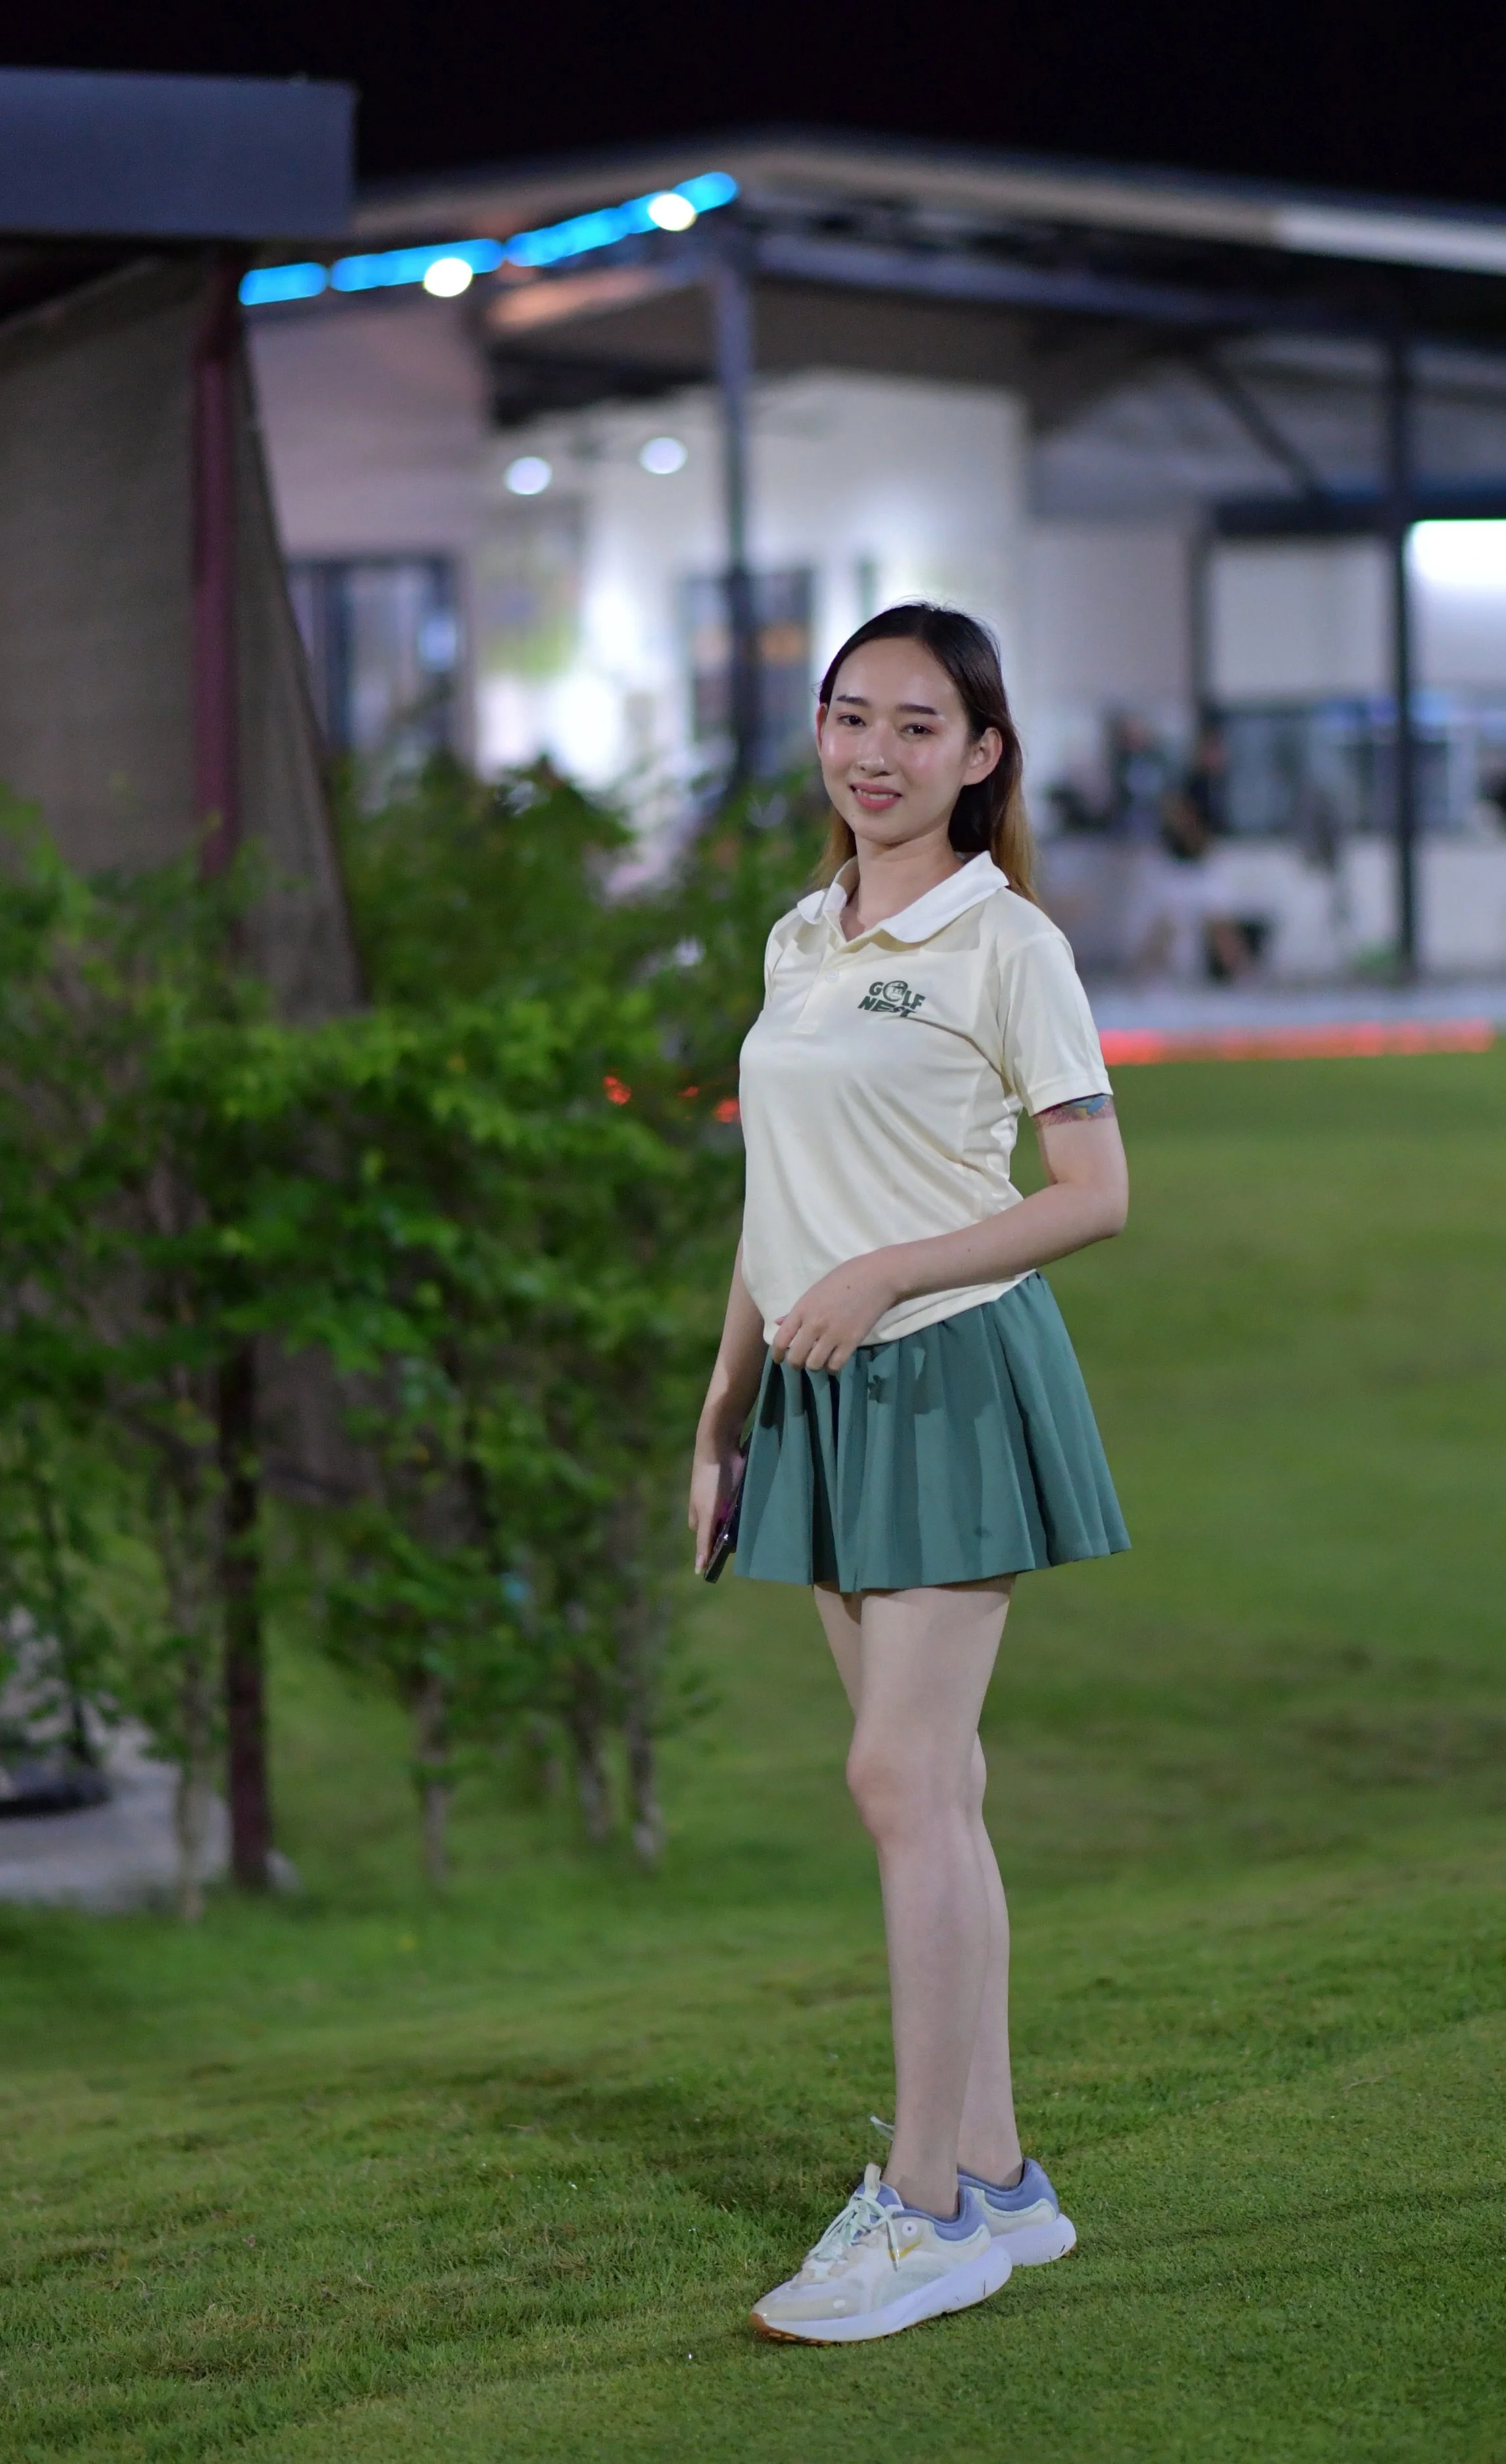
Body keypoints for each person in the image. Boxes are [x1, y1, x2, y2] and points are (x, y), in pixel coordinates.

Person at [689, 603, 1130, 2346]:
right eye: (849, 718)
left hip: (945, 1375)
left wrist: (889, 1273)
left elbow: (1091, 1189)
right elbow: (771, 1208)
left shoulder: (1002, 938)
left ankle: (925, 2206)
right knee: (924, 1790)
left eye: (916, 725)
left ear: (980, 753)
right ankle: (1003, 2179)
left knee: (896, 1772)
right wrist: (716, 1413)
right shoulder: (805, 932)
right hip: (809, 1396)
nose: (875, 754)